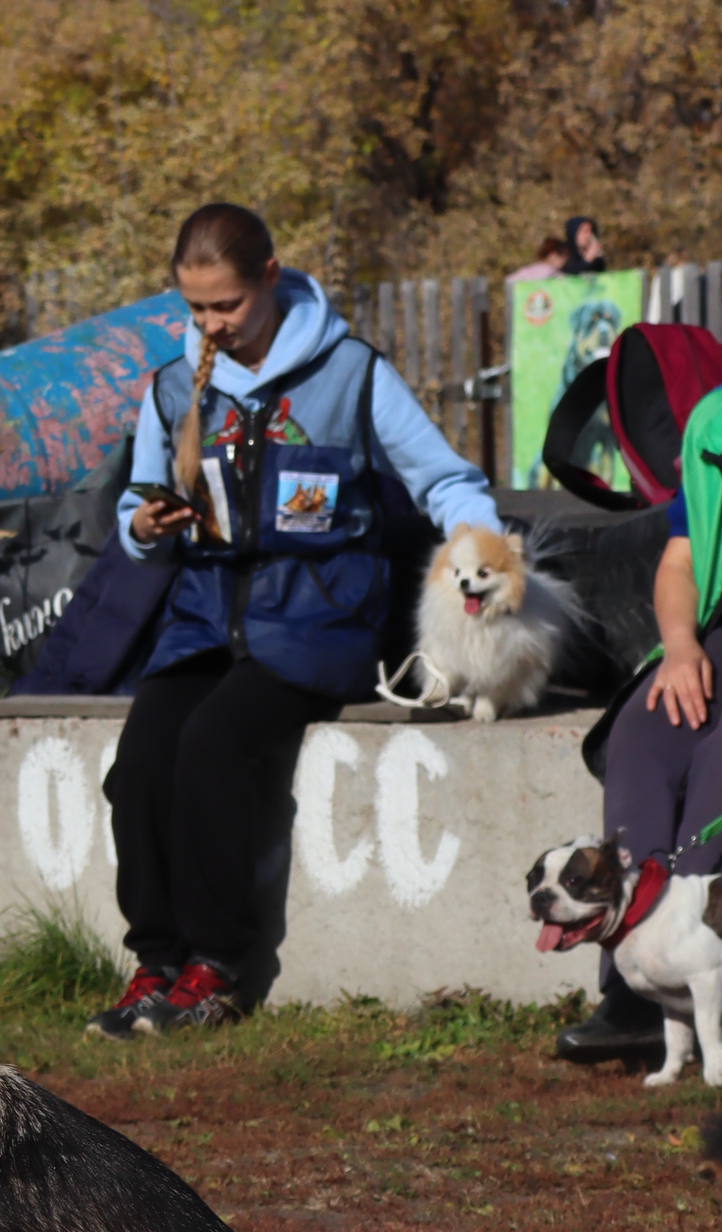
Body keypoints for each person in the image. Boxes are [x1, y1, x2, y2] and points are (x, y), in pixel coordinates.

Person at [89, 203, 504, 1039]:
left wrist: (483, 550)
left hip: (317, 628)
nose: (211, 325)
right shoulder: (174, 388)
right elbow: (135, 507)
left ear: (271, 278)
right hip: (205, 622)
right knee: (140, 760)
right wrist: (143, 527)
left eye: (228, 307)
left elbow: (443, 478)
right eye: (196, 309)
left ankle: (216, 964)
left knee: (214, 745)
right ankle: (156, 963)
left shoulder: (349, 372)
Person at [555, 386, 722, 1063]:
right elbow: (681, 558)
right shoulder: (712, 421)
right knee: (642, 737)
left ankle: (697, 959)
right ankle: (636, 974)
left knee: (717, 762)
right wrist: (680, 646)